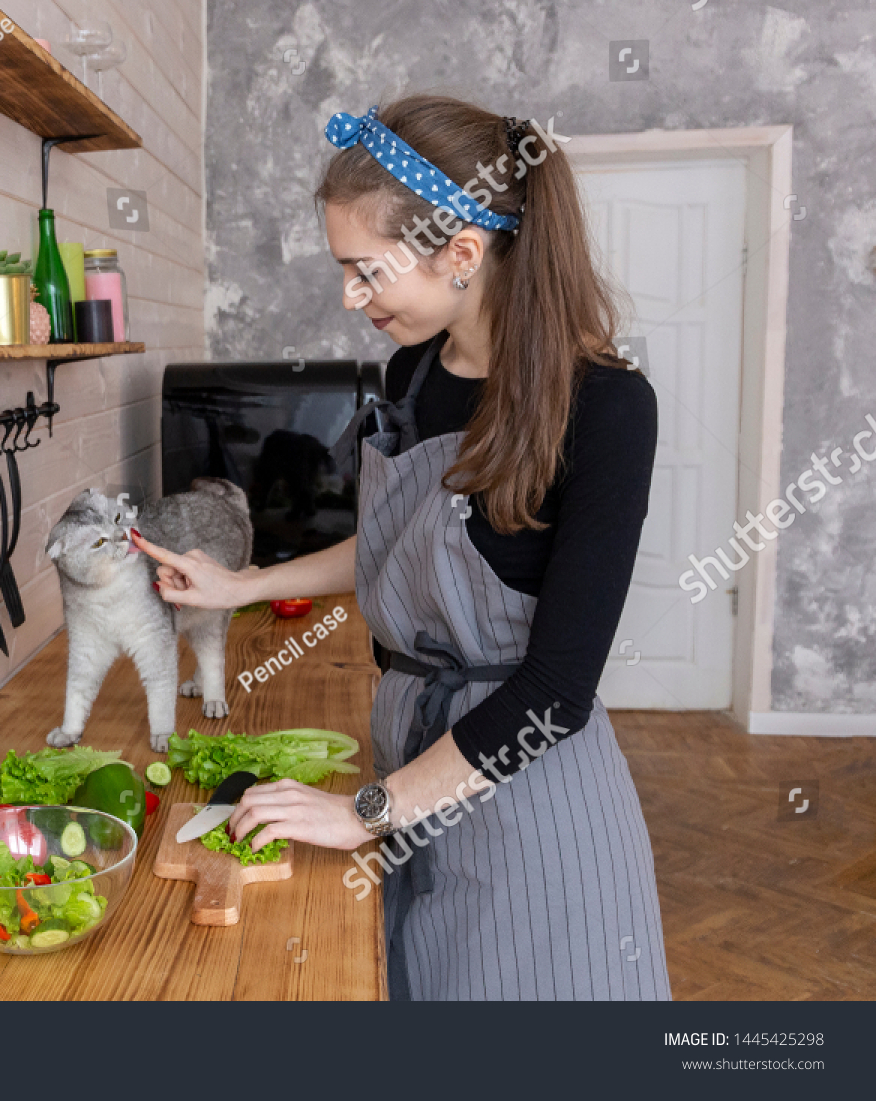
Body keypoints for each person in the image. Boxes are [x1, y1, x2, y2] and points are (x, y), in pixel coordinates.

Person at [131, 95, 671, 1001]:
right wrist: (241, 586)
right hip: (412, 753)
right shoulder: (415, 371)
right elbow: (399, 546)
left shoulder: (607, 407)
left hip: (527, 798)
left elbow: (557, 692)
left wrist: (362, 812)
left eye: (364, 271)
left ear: (462, 254)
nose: (350, 297)